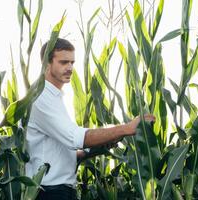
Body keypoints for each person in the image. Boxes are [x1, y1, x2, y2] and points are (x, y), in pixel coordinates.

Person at [25, 38, 155, 200]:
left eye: (72, 62)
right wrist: (126, 128)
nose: (70, 68)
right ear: (46, 64)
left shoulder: (55, 98)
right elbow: (75, 137)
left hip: (62, 189)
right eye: (64, 62)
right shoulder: (41, 98)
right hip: (48, 191)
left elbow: (61, 151)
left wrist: (99, 145)